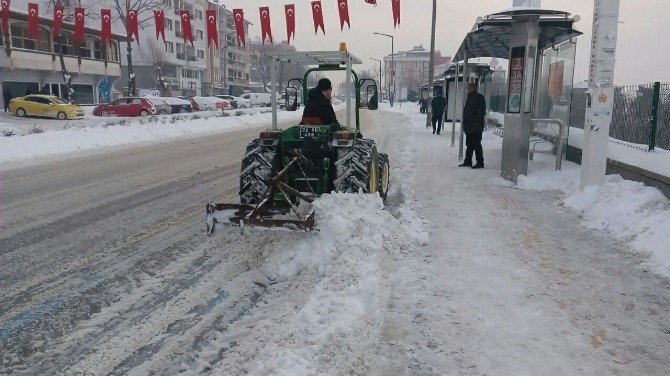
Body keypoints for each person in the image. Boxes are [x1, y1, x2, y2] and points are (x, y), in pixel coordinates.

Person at [459, 82, 487, 169]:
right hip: (469, 125)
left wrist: (476, 122)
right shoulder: (469, 97)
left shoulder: (479, 97)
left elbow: (481, 111)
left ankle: (480, 162)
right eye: (467, 88)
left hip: (476, 126)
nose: (467, 89)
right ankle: (468, 161)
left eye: (469, 87)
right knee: (469, 144)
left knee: (477, 144)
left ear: (474, 88)